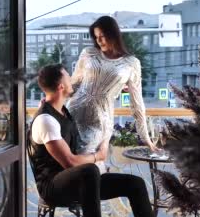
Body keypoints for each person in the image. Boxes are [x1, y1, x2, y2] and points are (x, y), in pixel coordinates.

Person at [28, 64, 181, 217]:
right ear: (61, 85)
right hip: (53, 187)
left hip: (78, 181)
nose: (72, 79)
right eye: (68, 76)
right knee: (89, 170)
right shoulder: (45, 120)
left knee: (134, 184)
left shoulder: (63, 110)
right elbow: (70, 163)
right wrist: (98, 156)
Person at [67, 16, 158, 173]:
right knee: (66, 163)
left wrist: (146, 139)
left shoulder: (132, 64)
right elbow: (73, 84)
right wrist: (50, 100)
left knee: (84, 167)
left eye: (102, 36)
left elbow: (137, 104)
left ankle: (91, 193)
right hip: (71, 114)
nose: (99, 41)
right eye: (96, 37)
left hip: (98, 122)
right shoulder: (88, 53)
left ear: (113, 34)